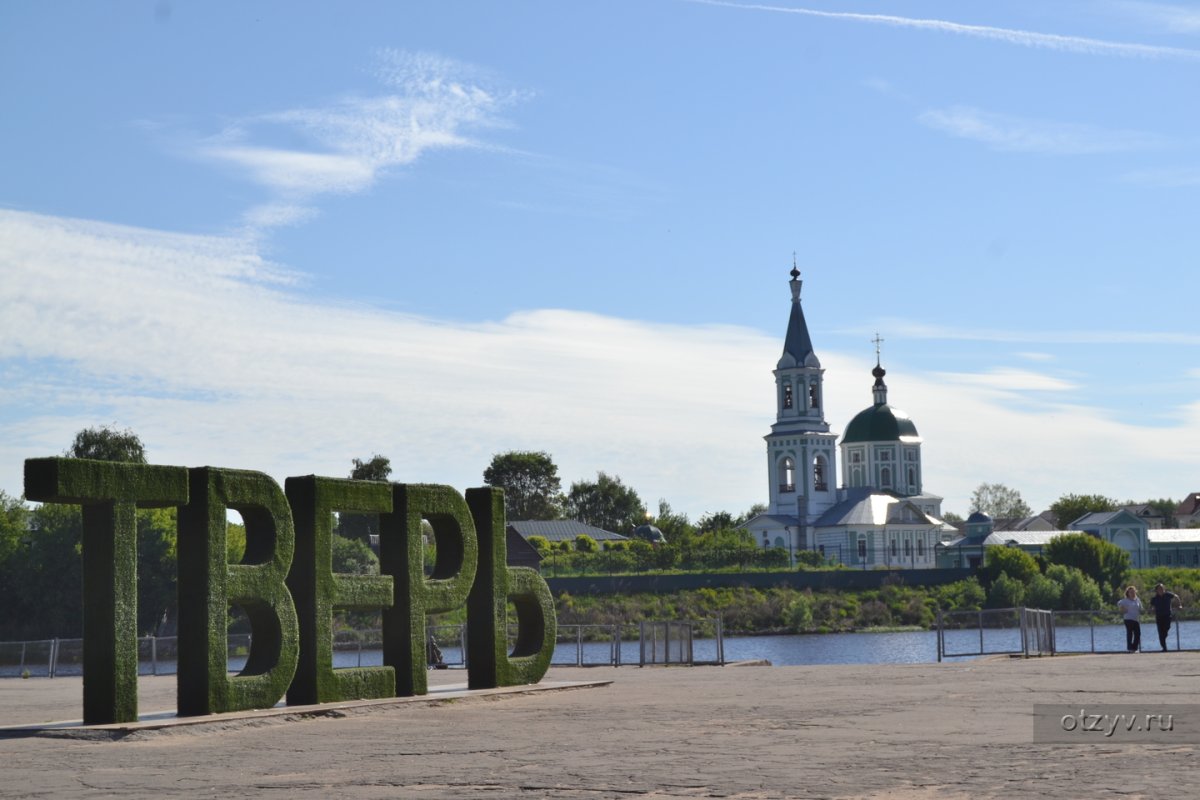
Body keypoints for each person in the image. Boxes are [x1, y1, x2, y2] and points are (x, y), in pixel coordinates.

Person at [1148, 583, 1182, 652]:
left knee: (1166, 629)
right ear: (1157, 590)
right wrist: (1151, 609)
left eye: (1162, 588)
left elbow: (1176, 597)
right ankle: (1164, 648)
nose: (1161, 590)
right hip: (1159, 617)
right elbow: (1151, 606)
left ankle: (1163, 641)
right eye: (1159, 589)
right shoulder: (1154, 598)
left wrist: (1179, 605)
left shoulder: (1168, 595)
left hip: (1167, 616)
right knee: (1161, 632)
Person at [1117, 586, 1142, 652]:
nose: (1132, 593)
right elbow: (1119, 603)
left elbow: (1141, 607)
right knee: (1130, 633)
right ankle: (1130, 648)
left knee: (1138, 634)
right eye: (1131, 592)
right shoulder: (1125, 600)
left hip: (1136, 619)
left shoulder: (1137, 599)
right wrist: (1122, 608)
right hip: (1128, 619)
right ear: (1128, 593)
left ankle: (1134, 648)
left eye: (1133, 591)